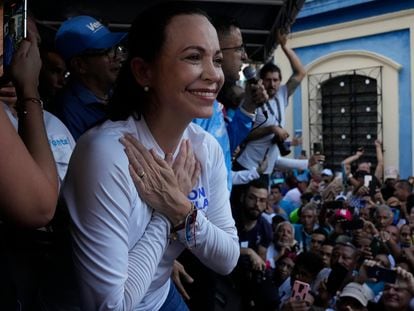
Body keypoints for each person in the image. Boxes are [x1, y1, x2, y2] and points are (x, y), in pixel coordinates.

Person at [62, 3, 239, 310]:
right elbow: (110, 306)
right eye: (194, 57)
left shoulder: (204, 147)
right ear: (144, 71)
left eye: (217, 60)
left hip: (159, 296)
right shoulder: (107, 154)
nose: (214, 75)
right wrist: (165, 215)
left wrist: (181, 211)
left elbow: (227, 257)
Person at [235, 31, 306, 176]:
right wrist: (272, 129)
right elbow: (242, 136)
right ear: (261, 80)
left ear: (280, 82)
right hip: (246, 165)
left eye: (275, 80)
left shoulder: (282, 93)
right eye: (268, 80)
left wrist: (284, 47)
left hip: (267, 169)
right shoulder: (250, 100)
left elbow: (300, 73)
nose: (272, 84)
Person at [54, 15, 126, 140]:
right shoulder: (67, 113)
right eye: (107, 51)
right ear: (80, 65)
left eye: (116, 48)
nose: (118, 57)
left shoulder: (122, 93)